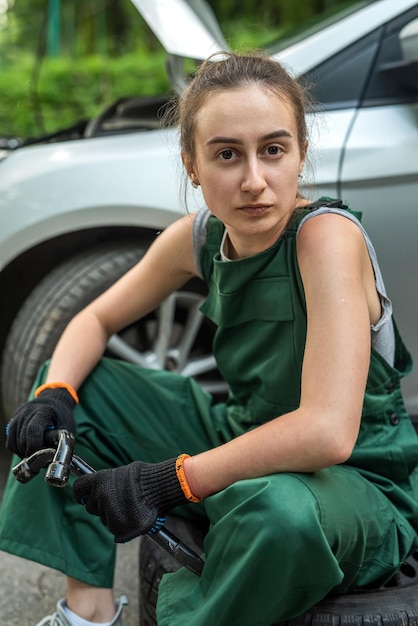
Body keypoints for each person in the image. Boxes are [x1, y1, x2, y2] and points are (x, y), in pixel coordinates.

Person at [1, 50, 418, 626]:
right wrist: (55, 394)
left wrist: (171, 481)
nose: (254, 181)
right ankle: (87, 613)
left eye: (273, 150)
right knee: (70, 396)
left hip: (353, 480)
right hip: (242, 434)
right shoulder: (196, 238)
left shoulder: (325, 238)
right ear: (192, 164)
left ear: (300, 155)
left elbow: (328, 432)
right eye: (226, 154)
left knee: (279, 516)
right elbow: (93, 320)